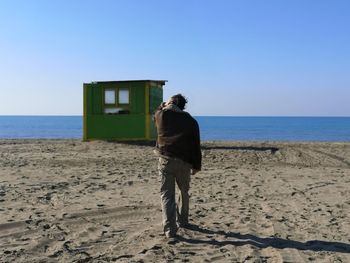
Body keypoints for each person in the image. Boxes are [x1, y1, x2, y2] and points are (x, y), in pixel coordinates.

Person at [154, 94, 202, 238]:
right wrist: (197, 165)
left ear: (171, 103)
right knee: (184, 191)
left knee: (167, 195)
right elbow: (196, 145)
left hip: (166, 159)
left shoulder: (161, 115)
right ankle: (183, 221)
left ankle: (170, 229)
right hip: (184, 161)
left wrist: (162, 106)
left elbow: (155, 116)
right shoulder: (191, 121)